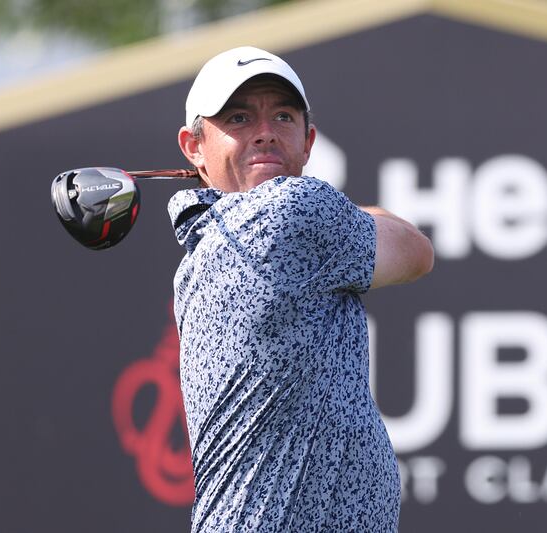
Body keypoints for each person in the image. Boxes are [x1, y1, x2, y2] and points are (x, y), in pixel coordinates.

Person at [167, 46, 434, 532]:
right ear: (194, 147)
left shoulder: (206, 244)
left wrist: (344, 223)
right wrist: (349, 219)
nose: (265, 131)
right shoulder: (296, 209)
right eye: (239, 117)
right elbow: (417, 251)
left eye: (283, 115)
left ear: (308, 141)